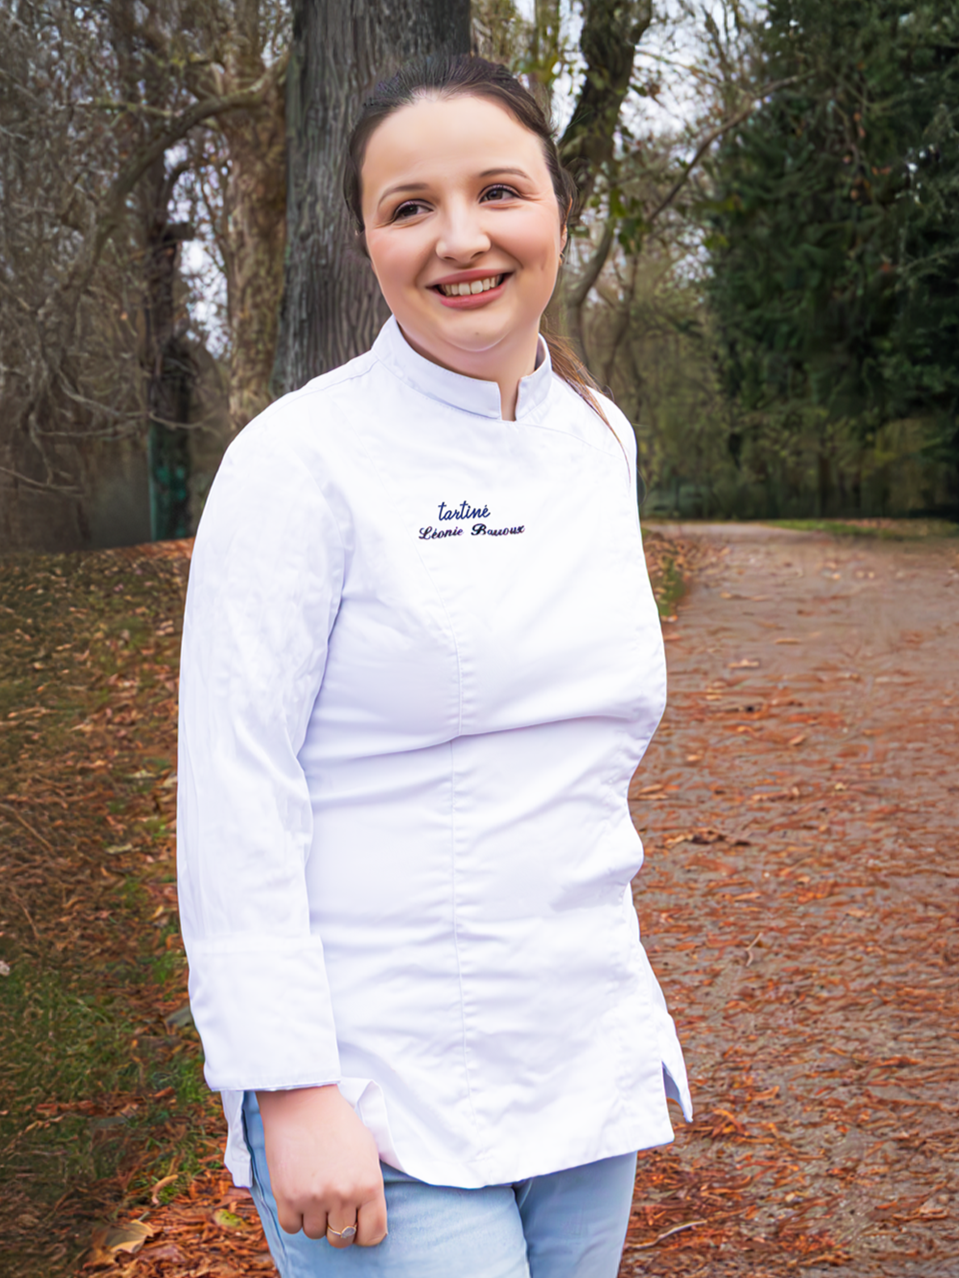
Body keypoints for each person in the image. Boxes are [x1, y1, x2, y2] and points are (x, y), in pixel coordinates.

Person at [177, 53, 691, 1278]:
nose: (461, 239)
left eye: (497, 192)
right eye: (410, 207)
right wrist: (288, 1084)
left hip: (578, 1067)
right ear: (367, 242)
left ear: (559, 207)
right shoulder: (297, 460)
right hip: (375, 1090)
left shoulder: (597, 438)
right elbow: (234, 788)